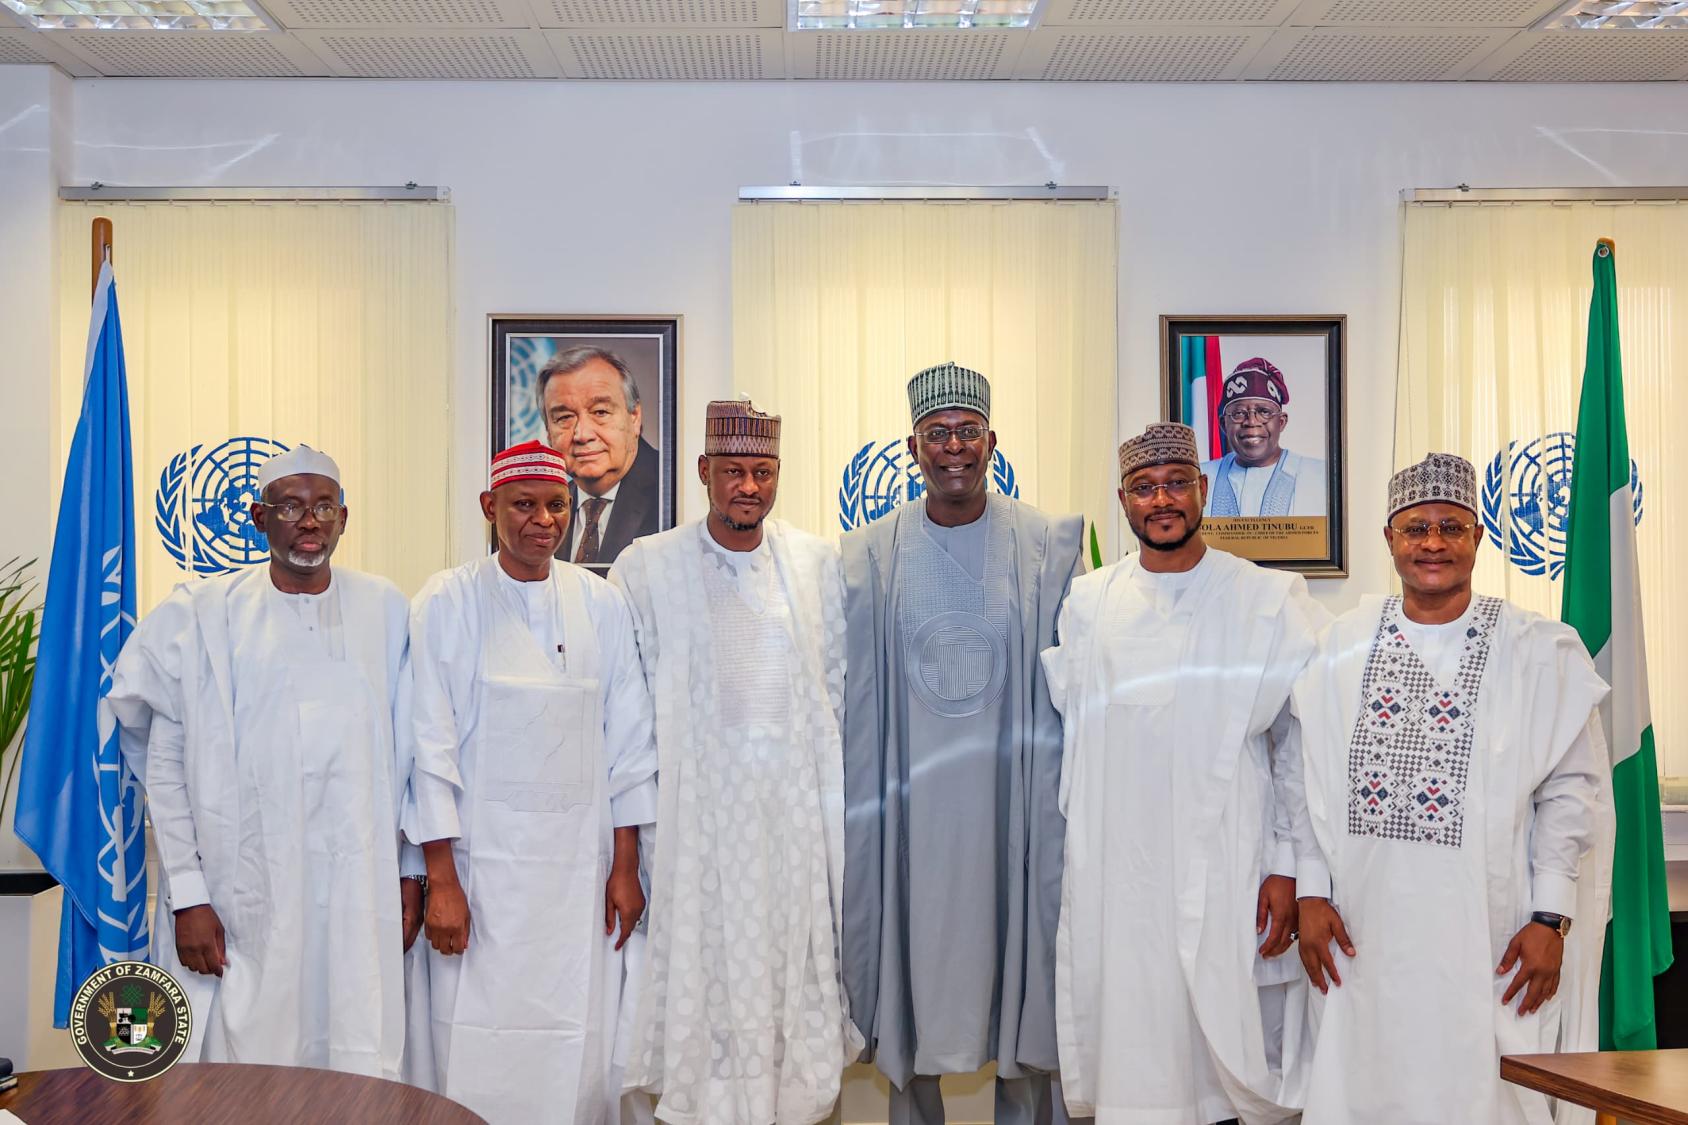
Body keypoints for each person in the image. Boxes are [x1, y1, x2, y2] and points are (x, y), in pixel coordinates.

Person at [1291, 452, 1612, 1125]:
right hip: (1365, 932)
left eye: (1451, 526)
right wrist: (1310, 888)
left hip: (1489, 934)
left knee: (1489, 1091)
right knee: (1366, 1081)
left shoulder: (1537, 650)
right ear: (1388, 539)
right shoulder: (1339, 648)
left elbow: (1570, 787)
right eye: (1415, 528)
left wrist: (1551, 915)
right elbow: (1307, 775)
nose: (1432, 543)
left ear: (1478, 537)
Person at [1042, 422, 1326, 1124]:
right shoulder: (1089, 604)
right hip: (1121, 878)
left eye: (1175, 483)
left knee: (1223, 1063)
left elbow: (1298, 744)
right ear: (1123, 500)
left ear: (1203, 489)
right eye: (1144, 487)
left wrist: (1291, 865)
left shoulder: (1265, 599)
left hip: (1231, 863)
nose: (1161, 498)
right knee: (1133, 1050)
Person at [105, 445, 420, 1075]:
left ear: (344, 519)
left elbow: (413, 751)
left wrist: (410, 875)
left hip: (355, 891)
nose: (310, 521)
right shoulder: (201, 616)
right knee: (241, 1069)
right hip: (241, 893)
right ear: (257, 518)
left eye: (324, 507)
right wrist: (187, 896)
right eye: (291, 507)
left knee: (352, 1047)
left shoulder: (385, 608)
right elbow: (163, 768)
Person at [841, 362, 1085, 1124]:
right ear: (914, 448)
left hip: (1011, 812)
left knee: (1023, 984)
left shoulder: (1047, 545)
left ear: (992, 441)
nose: (954, 447)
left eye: (968, 431)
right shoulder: (868, 555)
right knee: (910, 987)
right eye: (938, 433)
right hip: (911, 816)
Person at [616, 398, 861, 1124]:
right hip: (699, 832)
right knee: (707, 984)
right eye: (732, 472)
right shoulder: (648, 568)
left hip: (792, 830)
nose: (748, 486)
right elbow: (628, 718)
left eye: (763, 471)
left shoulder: (815, 565)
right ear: (702, 472)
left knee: (794, 992)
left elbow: (840, 693)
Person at [406, 440, 658, 1124]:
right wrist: (442, 883)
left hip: (580, 885)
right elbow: (427, 749)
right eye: (523, 505)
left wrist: (627, 867)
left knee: (575, 1053)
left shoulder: (600, 604)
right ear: (490, 508)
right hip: (479, 884)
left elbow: (629, 745)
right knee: (472, 1052)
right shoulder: (448, 601)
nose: (542, 520)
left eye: (556, 505)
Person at [539, 345, 663, 568]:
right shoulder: (543, 510)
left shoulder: (671, 491)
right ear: (548, 432)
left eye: (600, 412)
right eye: (564, 417)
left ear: (634, 417)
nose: (582, 434)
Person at [1199, 357, 1327, 518]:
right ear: (1224, 424)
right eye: (1239, 413)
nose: (1252, 422)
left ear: (1281, 422)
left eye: (1264, 412)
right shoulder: (1198, 477)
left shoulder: (1322, 476)